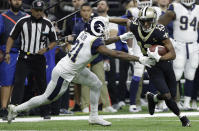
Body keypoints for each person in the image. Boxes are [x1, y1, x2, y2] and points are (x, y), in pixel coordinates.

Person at [7, 16, 155, 125]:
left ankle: (94, 116)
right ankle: (15, 109)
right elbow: (114, 53)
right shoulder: (95, 41)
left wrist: (122, 35)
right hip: (65, 72)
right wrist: (139, 59)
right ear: (100, 29)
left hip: (74, 68)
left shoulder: (88, 31)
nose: (106, 31)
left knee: (96, 84)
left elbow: (103, 36)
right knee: (47, 98)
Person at [108, 6, 191, 127]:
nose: (146, 24)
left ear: (155, 20)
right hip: (151, 65)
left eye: (149, 21)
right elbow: (126, 20)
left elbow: (172, 54)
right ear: (140, 20)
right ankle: (183, 118)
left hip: (165, 63)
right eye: (143, 21)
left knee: (172, 95)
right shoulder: (135, 25)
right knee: (168, 96)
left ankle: (154, 99)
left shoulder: (160, 30)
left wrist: (160, 57)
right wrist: (108, 19)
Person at [5, 0, 57, 119]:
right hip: (24, 57)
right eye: (36, 10)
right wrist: (7, 52)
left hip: (39, 59)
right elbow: (11, 37)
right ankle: (14, 111)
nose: (38, 13)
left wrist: (47, 48)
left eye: (41, 10)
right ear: (32, 10)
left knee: (42, 85)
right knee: (18, 83)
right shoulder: (22, 21)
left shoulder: (48, 24)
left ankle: (45, 112)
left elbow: (54, 41)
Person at [158, 0, 199, 110]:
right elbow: (161, 23)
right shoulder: (175, 6)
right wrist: (169, 13)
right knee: (176, 74)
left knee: (191, 75)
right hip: (179, 44)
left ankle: (186, 103)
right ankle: (165, 102)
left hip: (194, 45)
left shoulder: (198, 8)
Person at [0, 0, 27, 120]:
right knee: (6, 81)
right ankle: (4, 108)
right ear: (10, 1)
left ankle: (15, 108)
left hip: (23, 53)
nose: (17, 2)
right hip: (8, 53)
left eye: (19, 0)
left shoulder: (26, 17)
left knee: (20, 82)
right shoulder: (3, 17)